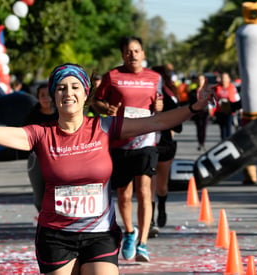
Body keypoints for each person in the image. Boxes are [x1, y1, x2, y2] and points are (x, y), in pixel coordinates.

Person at [0, 62, 211, 274]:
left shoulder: (104, 127)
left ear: (85, 93)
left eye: (74, 87)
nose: (67, 93)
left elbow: (156, 121)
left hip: (100, 234)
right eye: (60, 88)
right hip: (56, 236)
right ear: (53, 95)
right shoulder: (40, 134)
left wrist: (194, 108)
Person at [91, 36, 163, 262]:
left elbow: (160, 103)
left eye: (136, 51)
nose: (132, 55)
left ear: (143, 53)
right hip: (120, 142)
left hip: (146, 141)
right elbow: (96, 102)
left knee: (143, 189)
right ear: (123, 55)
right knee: (124, 194)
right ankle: (130, 232)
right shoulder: (113, 76)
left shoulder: (155, 77)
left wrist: (159, 106)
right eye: (128, 52)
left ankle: (143, 243)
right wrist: (107, 108)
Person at [148, 65, 183, 238]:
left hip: (165, 144)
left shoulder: (169, 97)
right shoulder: (142, 95)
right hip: (146, 144)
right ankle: (150, 220)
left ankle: (161, 207)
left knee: (161, 186)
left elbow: (179, 126)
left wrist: (162, 117)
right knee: (149, 185)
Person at [25, 83, 58, 212]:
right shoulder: (32, 116)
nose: (46, 98)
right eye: (42, 95)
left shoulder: (61, 114)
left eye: (48, 95)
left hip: (59, 157)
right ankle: (43, 218)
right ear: (38, 98)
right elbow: (25, 135)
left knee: (59, 195)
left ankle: (58, 223)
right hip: (38, 158)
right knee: (40, 198)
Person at [212, 72, 240, 140]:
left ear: (229, 79)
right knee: (222, 128)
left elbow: (237, 98)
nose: (224, 80)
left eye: (225, 78)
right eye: (222, 78)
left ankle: (228, 141)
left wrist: (240, 110)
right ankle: (223, 141)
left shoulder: (232, 87)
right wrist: (212, 110)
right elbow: (213, 100)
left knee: (228, 127)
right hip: (220, 111)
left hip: (229, 111)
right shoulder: (217, 88)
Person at [188, 74, 211, 151]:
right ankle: (199, 142)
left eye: (202, 79)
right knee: (198, 128)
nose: (200, 81)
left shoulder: (208, 91)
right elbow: (191, 102)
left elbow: (212, 101)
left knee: (204, 127)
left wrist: (211, 109)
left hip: (205, 111)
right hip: (197, 112)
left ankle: (202, 143)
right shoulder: (193, 91)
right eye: (199, 79)